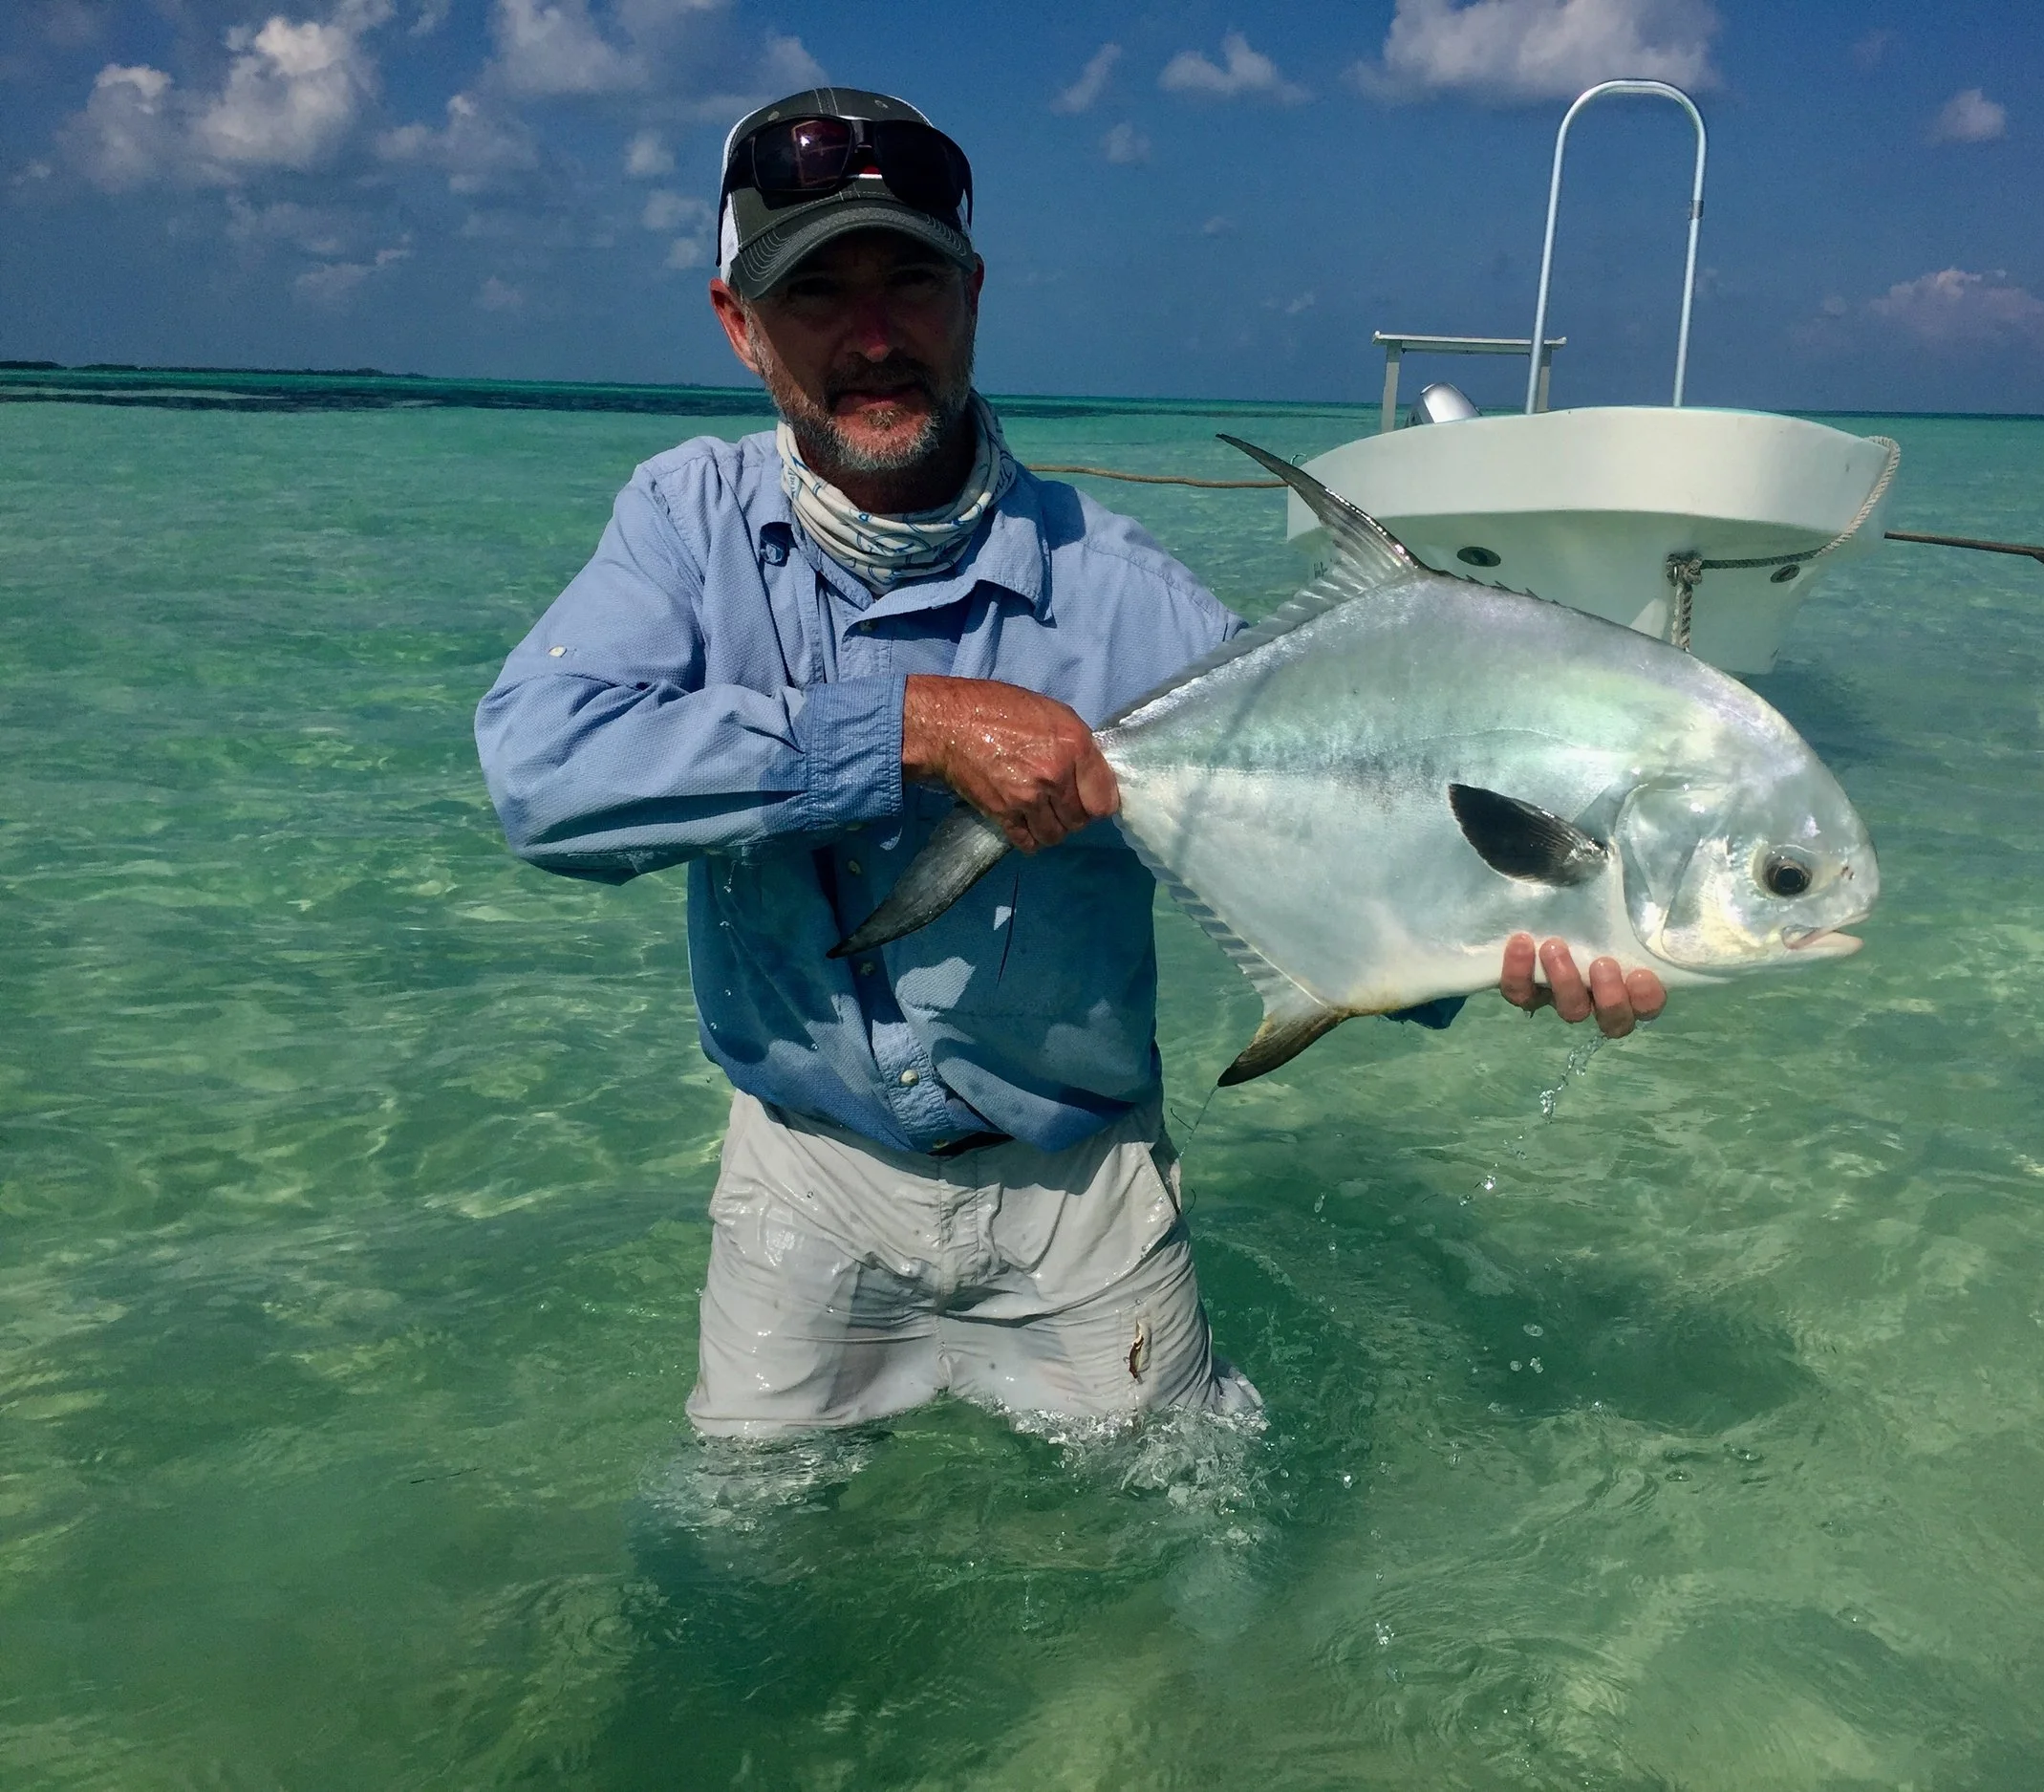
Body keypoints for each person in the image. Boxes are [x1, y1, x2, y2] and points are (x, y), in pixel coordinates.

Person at [475, 87, 1664, 1437]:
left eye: (910, 279)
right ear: (739, 326)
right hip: (799, 1188)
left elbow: (1337, 844)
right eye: (818, 292)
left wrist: (1524, 932)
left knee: (1193, 1569)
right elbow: (544, 773)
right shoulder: (684, 528)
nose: (873, 335)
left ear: (972, 295)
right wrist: (915, 727)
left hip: (1087, 1203)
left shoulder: (1130, 600)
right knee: (742, 1550)